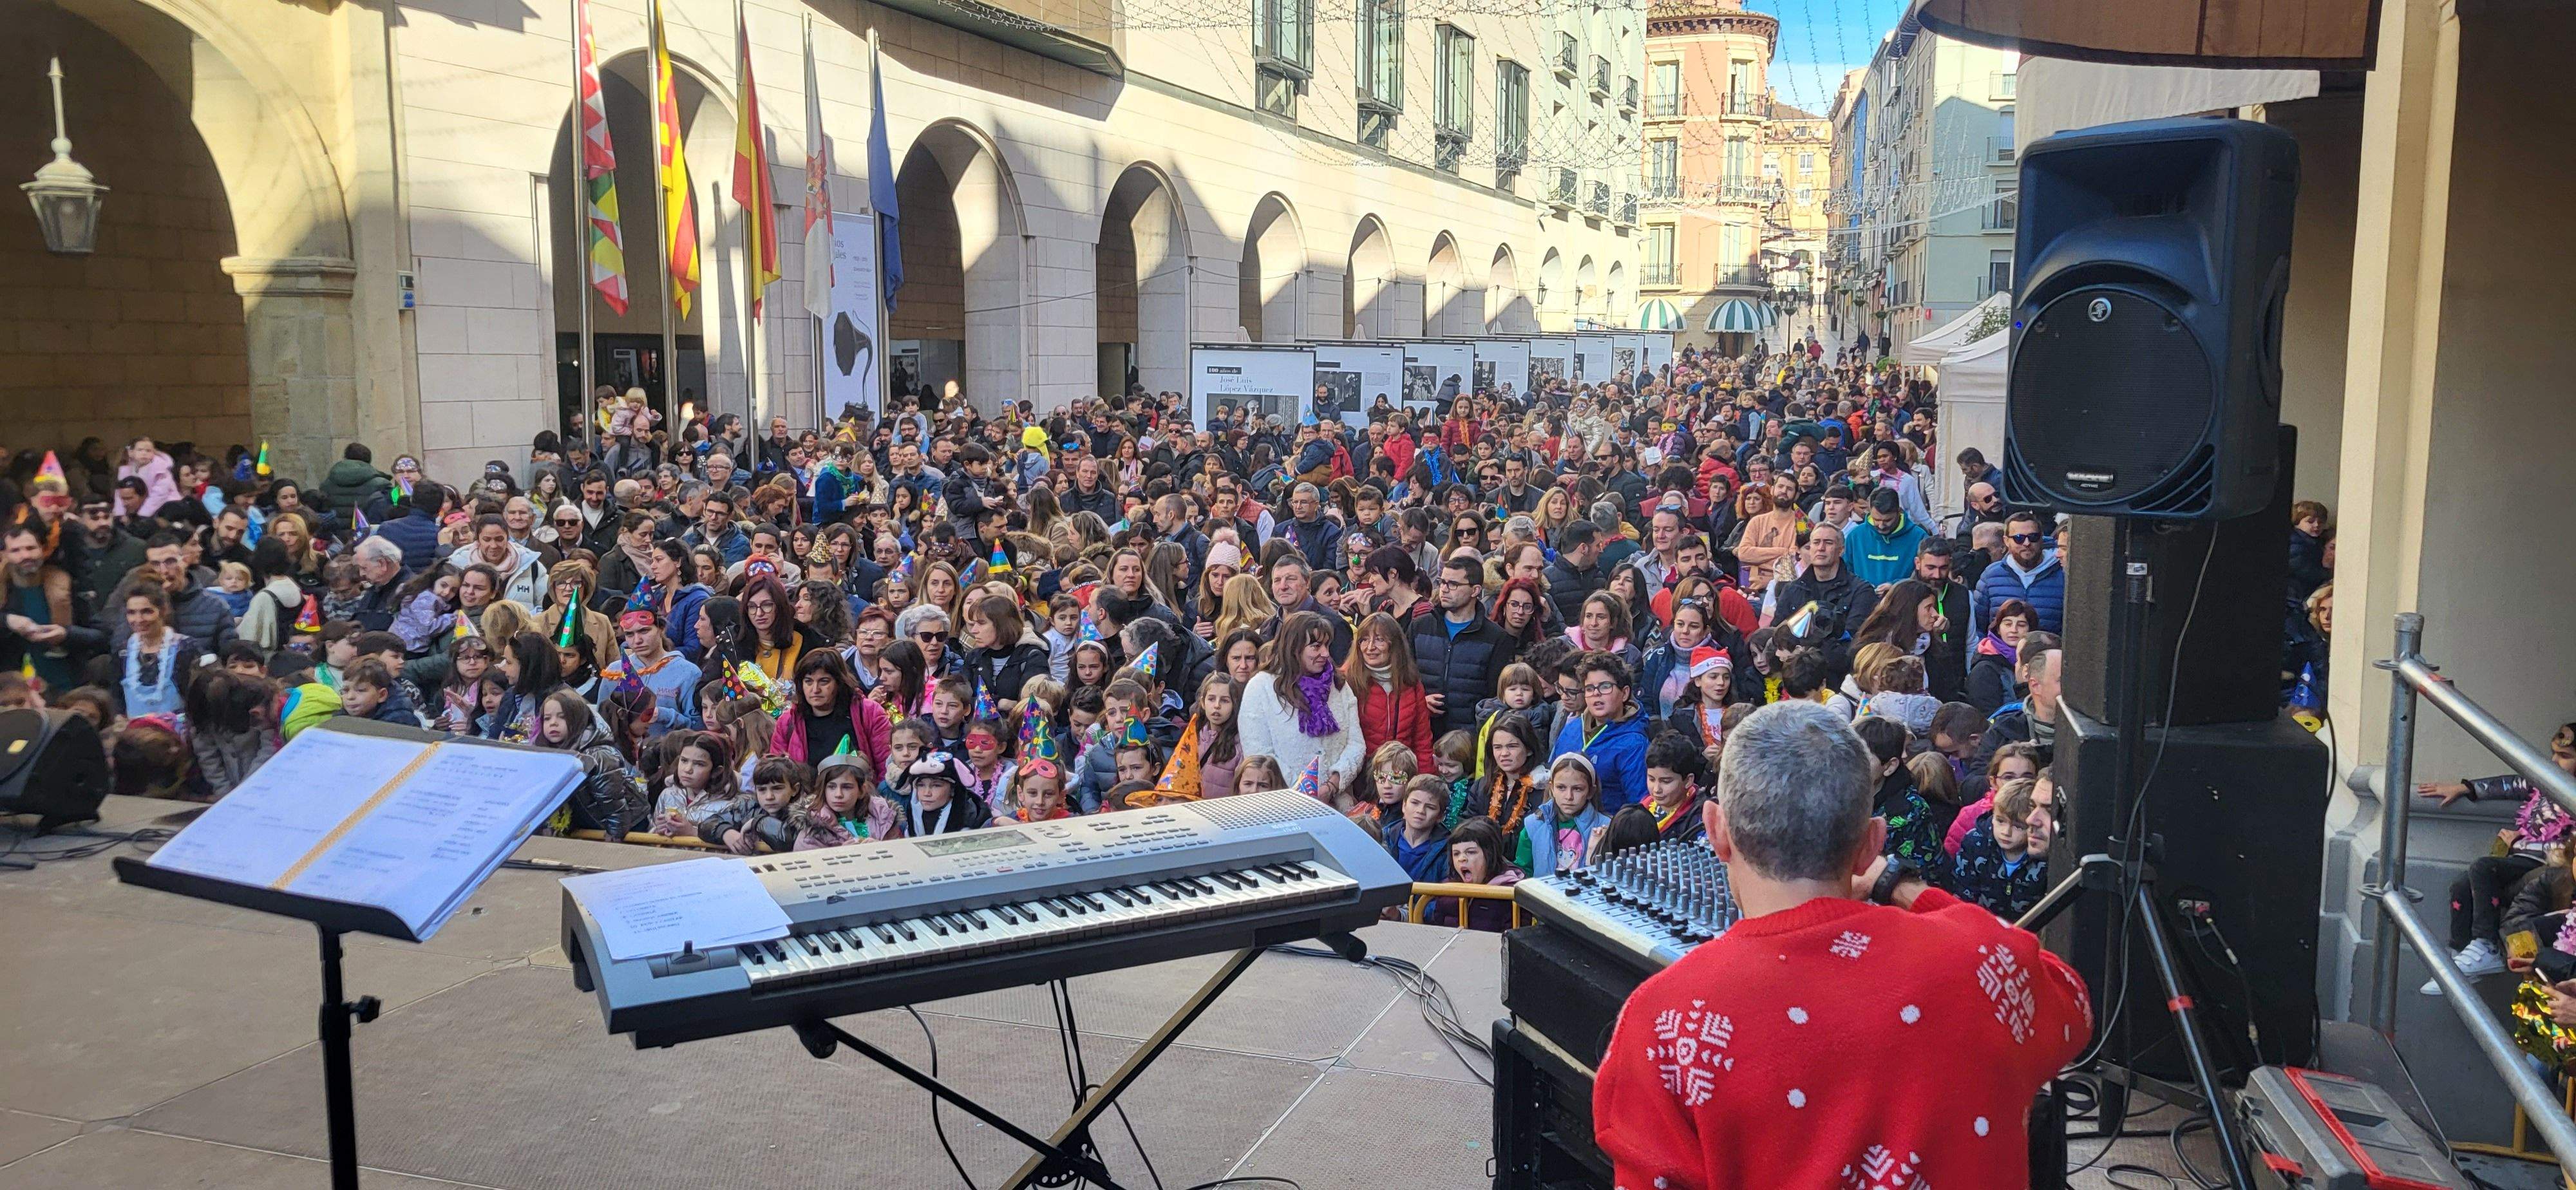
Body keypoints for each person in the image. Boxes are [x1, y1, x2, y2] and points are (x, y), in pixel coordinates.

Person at [1592, 701, 2089, 1190]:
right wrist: (1905, 889)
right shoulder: (1982, 964)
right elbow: (2073, 1003)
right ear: (1873, 844)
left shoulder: (1665, 1019)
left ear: (1716, 830)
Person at [2418, 722, 2576, 993]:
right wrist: (2466, 788)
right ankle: (2461, 957)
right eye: (2552, 753)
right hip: (2523, 859)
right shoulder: (2546, 783)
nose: (2553, 761)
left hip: (2547, 866)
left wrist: (2522, 841)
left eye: (2564, 756)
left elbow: (2569, 849)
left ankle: (2487, 945)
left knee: (2483, 867)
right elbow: (2511, 785)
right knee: (2462, 885)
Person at [1236, 610, 1366, 804]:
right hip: (1282, 805)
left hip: (1337, 803)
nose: (1325, 653)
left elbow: (1356, 744)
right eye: (1316, 647)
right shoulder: (1261, 688)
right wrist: (1303, 791)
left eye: (1327, 645)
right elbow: (1259, 752)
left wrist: (1331, 786)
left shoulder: (1339, 686)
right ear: (1294, 648)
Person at [1550, 651, 1650, 811]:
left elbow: (1639, 806)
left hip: (1609, 824)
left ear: (1624, 693)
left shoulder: (1634, 743)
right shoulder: (1573, 727)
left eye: (1605, 687)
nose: (1596, 693)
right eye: (1590, 688)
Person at [1971, 512, 2066, 634]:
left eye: (2033, 537)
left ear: (2041, 538)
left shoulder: (2062, 574)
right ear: (2006, 541)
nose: (2027, 543)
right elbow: (1978, 628)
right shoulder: (1991, 575)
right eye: (2019, 538)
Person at [1517, 752, 1609, 876]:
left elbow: (1611, 874)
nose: (1569, 796)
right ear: (1552, 789)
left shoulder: (1605, 827)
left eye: (1577, 789)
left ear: (1591, 791)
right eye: (1561, 787)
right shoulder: (1534, 825)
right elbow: (1523, 872)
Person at [1425, 815, 1522, 931]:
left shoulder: (1511, 894)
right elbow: (1438, 929)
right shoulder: (1447, 891)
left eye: (1471, 852)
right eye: (1456, 854)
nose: (1461, 859)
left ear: (1490, 855)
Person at [1384, 777, 1454, 883]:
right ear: (1404, 806)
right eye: (1415, 803)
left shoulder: (1448, 851)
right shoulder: (1383, 839)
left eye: (1430, 807)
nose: (1421, 811)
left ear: (1440, 816)